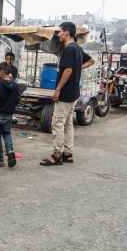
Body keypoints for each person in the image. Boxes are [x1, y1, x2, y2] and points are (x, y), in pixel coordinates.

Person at [40, 21, 95, 166]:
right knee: (68, 124)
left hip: (65, 93)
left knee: (57, 123)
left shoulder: (68, 50)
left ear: (66, 33)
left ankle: (57, 154)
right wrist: (78, 68)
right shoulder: (77, 48)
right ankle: (68, 153)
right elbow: (91, 60)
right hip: (74, 93)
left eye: (60, 31)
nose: (58, 34)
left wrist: (57, 89)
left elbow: (68, 70)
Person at [0, 62, 20, 167]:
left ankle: (0, 159)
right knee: (7, 133)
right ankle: (10, 151)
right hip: (8, 114)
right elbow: (17, 100)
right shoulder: (16, 86)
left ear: (2, 72)